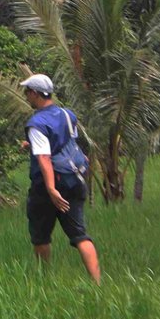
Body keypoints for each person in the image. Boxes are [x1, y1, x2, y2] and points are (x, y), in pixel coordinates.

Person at [21, 73, 101, 282]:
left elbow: (45, 158)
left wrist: (50, 189)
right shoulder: (68, 115)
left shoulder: (36, 123)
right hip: (74, 180)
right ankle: (97, 283)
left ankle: (44, 279)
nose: (26, 96)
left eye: (27, 92)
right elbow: (66, 144)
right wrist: (32, 146)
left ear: (36, 94)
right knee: (80, 235)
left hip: (47, 188)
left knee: (40, 236)